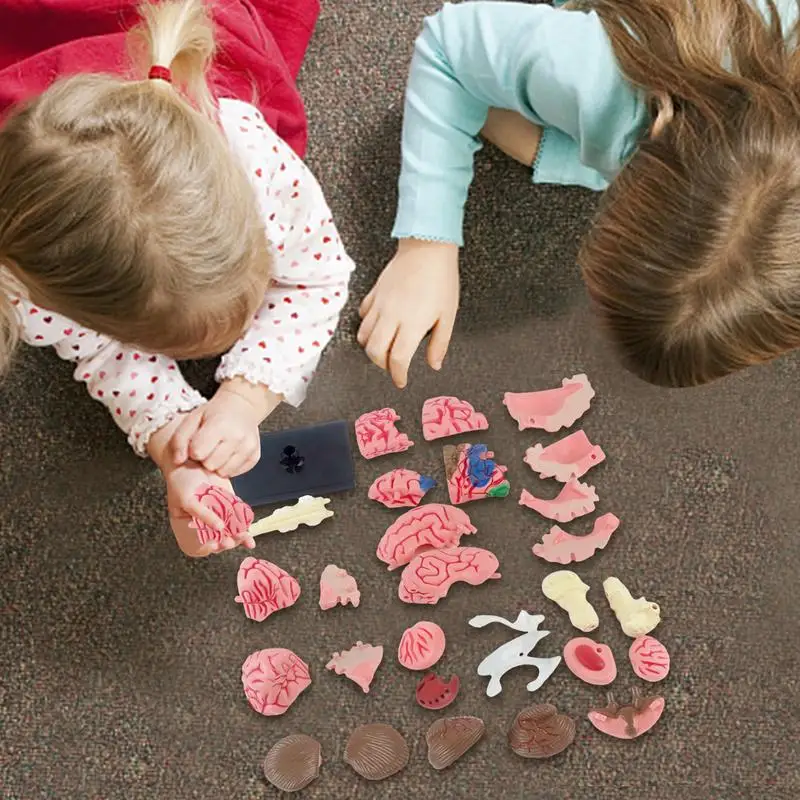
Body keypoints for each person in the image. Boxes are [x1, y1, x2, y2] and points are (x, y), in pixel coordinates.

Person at [0, 0, 354, 556]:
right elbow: (100, 352)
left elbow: (319, 278)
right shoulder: (23, 272)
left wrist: (243, 397)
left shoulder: (257, 158)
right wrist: (176, 444)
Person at [359, 0, 800, 390]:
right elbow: (447, 50)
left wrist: (562, 154)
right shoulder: (594, 70)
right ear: (657, 124)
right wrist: (426, 246)